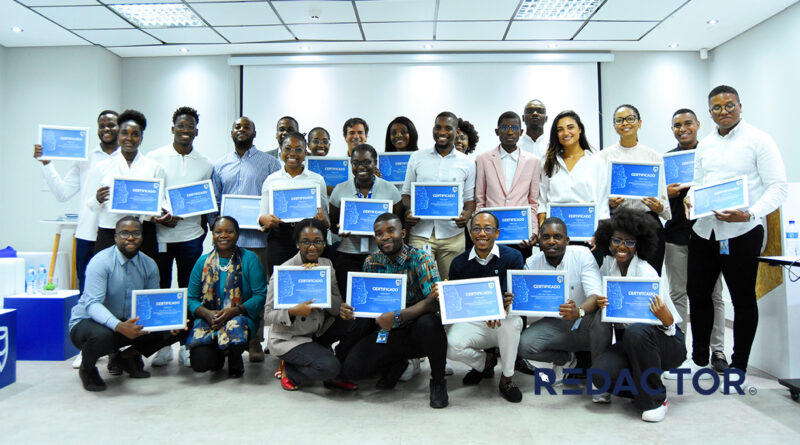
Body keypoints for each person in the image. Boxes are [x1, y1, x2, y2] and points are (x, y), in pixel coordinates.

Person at [685, 85, 787, 385]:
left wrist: (751, 213)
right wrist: (691, 196)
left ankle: (739, 363)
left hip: (743, 230)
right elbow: (698, 182)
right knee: (697, 293)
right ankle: (701, 354)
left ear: (740, 106)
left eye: (729, 105)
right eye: (717, 108)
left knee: (742, 299)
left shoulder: (760, 140)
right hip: (705, 230)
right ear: (710, 112)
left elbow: (778, 187)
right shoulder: (704, 144)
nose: (724, 111)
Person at [339, 213, 449, 408]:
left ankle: (438, 381)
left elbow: (434, 302)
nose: (385, 237)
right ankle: (397, 363)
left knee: (430, 322)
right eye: (379, 233)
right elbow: (365, 304)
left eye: (391, 230)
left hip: (417, 332)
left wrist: (399, 315)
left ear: (403, 233)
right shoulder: (370, 262)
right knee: (353, 369)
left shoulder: (422, 259)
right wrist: (349, 310)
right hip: (387, 331)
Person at [69, 217, 186, 391]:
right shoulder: (100, 262)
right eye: (124, 233)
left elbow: (151, 303)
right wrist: (118, 326)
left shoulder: (149, 264)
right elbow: (93, 304)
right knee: (103, 336)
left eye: (135, 233)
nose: (130, 238)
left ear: (142, 237)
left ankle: (126, 357)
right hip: (88, 323)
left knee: (181, 324)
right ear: (115, 237)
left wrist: (170, 323)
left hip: (127, 321)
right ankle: (88, 369)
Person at [591, 208, 685, 422]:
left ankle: (656, 399)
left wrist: (665, 318)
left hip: (667, 340)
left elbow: (670, 325)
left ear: (639, 245)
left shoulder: (646, 272)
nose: (622, 247)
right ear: (608, 240)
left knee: (637, 331)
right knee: (599, 376)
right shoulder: (608, 267)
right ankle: (643, 385)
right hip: (633, 342)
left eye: (630, 242)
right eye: (616, 240)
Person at [662, 109, 727, 377]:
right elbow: (656, 201)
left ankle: (718, 350)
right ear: (672, 129)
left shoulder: (713, 156)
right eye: (677, 125)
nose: (683, 128)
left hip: (709, 235)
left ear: (698, 125)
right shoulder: (666, 161)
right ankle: (680, 351)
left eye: (688, 123)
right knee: (678, 294)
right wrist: (666, 192)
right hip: (676, 235)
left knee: (714, 294)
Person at [210, 116, 281, 362]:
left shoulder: (270, 163)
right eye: (237, 126)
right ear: (231, 132)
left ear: (255, 132)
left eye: (246, 126)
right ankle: (225, 337)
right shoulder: (219, 165)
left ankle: (254, 340)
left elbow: (276, 198)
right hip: (228, 243)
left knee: (256, 292)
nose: (242, 130)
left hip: (258, 241)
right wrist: (216, 232)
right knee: (226, 291)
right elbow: (215, 202)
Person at [147, 106, 213, 367]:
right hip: (161, 236)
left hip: (191, 237)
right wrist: (159, 214)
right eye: (181, 126)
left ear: (196, 131)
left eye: (190, 127)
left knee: (189, 292)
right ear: (172, 128)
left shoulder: (205, 163)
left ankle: (186, 343)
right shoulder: (154, 158)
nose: (185, 131)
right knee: (161, 290)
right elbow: (150, 195)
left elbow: (206, 200)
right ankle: (162, 346)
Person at [264, 218, 358, 391]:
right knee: (329, 367)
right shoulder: (285, 271)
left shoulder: (326, 265)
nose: (312, 247)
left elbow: (336, 305)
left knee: (351, 318)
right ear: (297, 243)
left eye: (318, 241)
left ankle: (328, 363)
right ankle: (291, 370)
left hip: (317, 331)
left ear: (324, 242)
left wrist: (318, 285)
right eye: (305, 242)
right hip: (290, 337)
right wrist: (292, 311)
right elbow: (268, 314)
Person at [517, 217, 612, 383]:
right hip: (555, 324)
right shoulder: (531, 263)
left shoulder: (582, 255)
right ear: (539, 240)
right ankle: (567, 360)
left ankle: (599, 377)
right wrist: (515, 299)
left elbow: (596, 295)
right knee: (523, 346)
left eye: (557, 237)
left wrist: (579, 311)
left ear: (567, 240)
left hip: (585, 320)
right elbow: (525, 302)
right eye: (546, 237)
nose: (551, 241)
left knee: (602, 319)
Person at [34, 110, 119, 294]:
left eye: (111, 124)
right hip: (87, 234)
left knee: (116, 289)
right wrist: (47, 164)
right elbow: (62, 193)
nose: (106, 129)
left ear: (120, 128)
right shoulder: (85, 158)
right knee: (86, 289)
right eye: (102, 125)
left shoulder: (131, 158)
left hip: (117, 234)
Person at [446, 211, 525, 403]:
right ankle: (485, 363)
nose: (482, 233)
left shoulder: (513, 257)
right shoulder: (458, 263)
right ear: (470, 233)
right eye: (477, 228)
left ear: (497, 233)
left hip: (503, 320)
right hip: (474, 321)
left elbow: (512, 295)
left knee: (512, 323)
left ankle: (506, 379)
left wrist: (498, 310)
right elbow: (456, 305)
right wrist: (445, 294)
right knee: (451, 345)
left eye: (487, 228)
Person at [186, 216, 266, 378]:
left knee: (236, 325)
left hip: (240, 318)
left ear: (237, 234)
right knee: (201, 364)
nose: (223, 235)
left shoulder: (250, 259)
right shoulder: (202, 262)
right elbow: (191, 298)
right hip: (210, 320)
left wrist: (234, 311)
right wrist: (207, 313)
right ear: (213, 234)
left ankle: (235, 355)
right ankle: (219, 355)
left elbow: (260, 295)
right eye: (218, 232)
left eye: (229, 231)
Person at [402, 111, 476, 280]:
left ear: (456, 132)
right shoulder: (417, 157)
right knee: (418, 284)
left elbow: (470, 201)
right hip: (420, 233)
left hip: (452, 236)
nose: (442, 132)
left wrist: (467, 214)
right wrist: (409, 210)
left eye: (448, 128)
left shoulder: (468, 163)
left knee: (449, 285)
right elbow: (406, 194)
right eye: (438, 127)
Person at [600, 104, 671, 274]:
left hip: (647, 226)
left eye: (630, 119)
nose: (625, 123)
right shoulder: (603, 157)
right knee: (614, 274)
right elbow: (596, 199)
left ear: (639, 123)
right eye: (619, 120)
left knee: (650, 275)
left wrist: (658, 207)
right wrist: (608, 204)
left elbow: (665, 208)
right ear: (614, 125)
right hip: (616, 224)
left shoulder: (653, 156)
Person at [88, 109, 167, 260]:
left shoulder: (154, 167)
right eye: (124, 133)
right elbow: (90, 206)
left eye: (135, 134)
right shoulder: (103, 166)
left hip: (143, 232)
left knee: (145, 278)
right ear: (118, 135)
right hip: (110, 230)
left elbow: (160, 203)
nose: (129, 138)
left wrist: (161, 213)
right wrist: (97, 198)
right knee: (106, 276)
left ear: (141, 138)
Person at [329, 144, 402, 297]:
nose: (361, 167)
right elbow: (332, 224)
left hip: (381, 254)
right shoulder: (340, 189)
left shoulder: (390, 189)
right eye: (356, 163)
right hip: (348, 253)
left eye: (367, 162)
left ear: (375, 163)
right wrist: (340, 229)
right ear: (351, 164)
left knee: (377, 298)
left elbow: (398, 223)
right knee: (351, 299)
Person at [258, 131, 329, 273]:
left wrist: (323, 220)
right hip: (280, 238)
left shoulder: (317, 179)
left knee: (307, 280)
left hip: (309, 240)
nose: (293, 153)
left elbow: (326, 220)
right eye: (288, 149)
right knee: (281, 280)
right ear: (281, 151)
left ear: (305, 152)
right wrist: (264, 220)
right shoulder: (271, 180)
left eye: (298, 150)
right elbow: (261, 217)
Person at [475, 111, 541, 259]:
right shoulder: (483, 159)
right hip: (491, 235)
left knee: (518, 276)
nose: (510, 132)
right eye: (505, 128)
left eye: (515, 128)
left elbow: (533, 202)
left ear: (521, 132)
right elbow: (480, 200)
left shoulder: (533, 161)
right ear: (497, 132)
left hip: (521, 236)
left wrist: (533, 231)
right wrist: (480, 231)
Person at [538, 110, 610, 231]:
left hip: (588, 233)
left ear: (580, 129)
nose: (565, 133)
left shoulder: (597, 162)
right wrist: (542, 228)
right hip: (555, 233)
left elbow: (603, 204)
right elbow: (543, 201)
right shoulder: (548, 161)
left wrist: (598, 235)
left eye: (570, 127)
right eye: (560, 130)